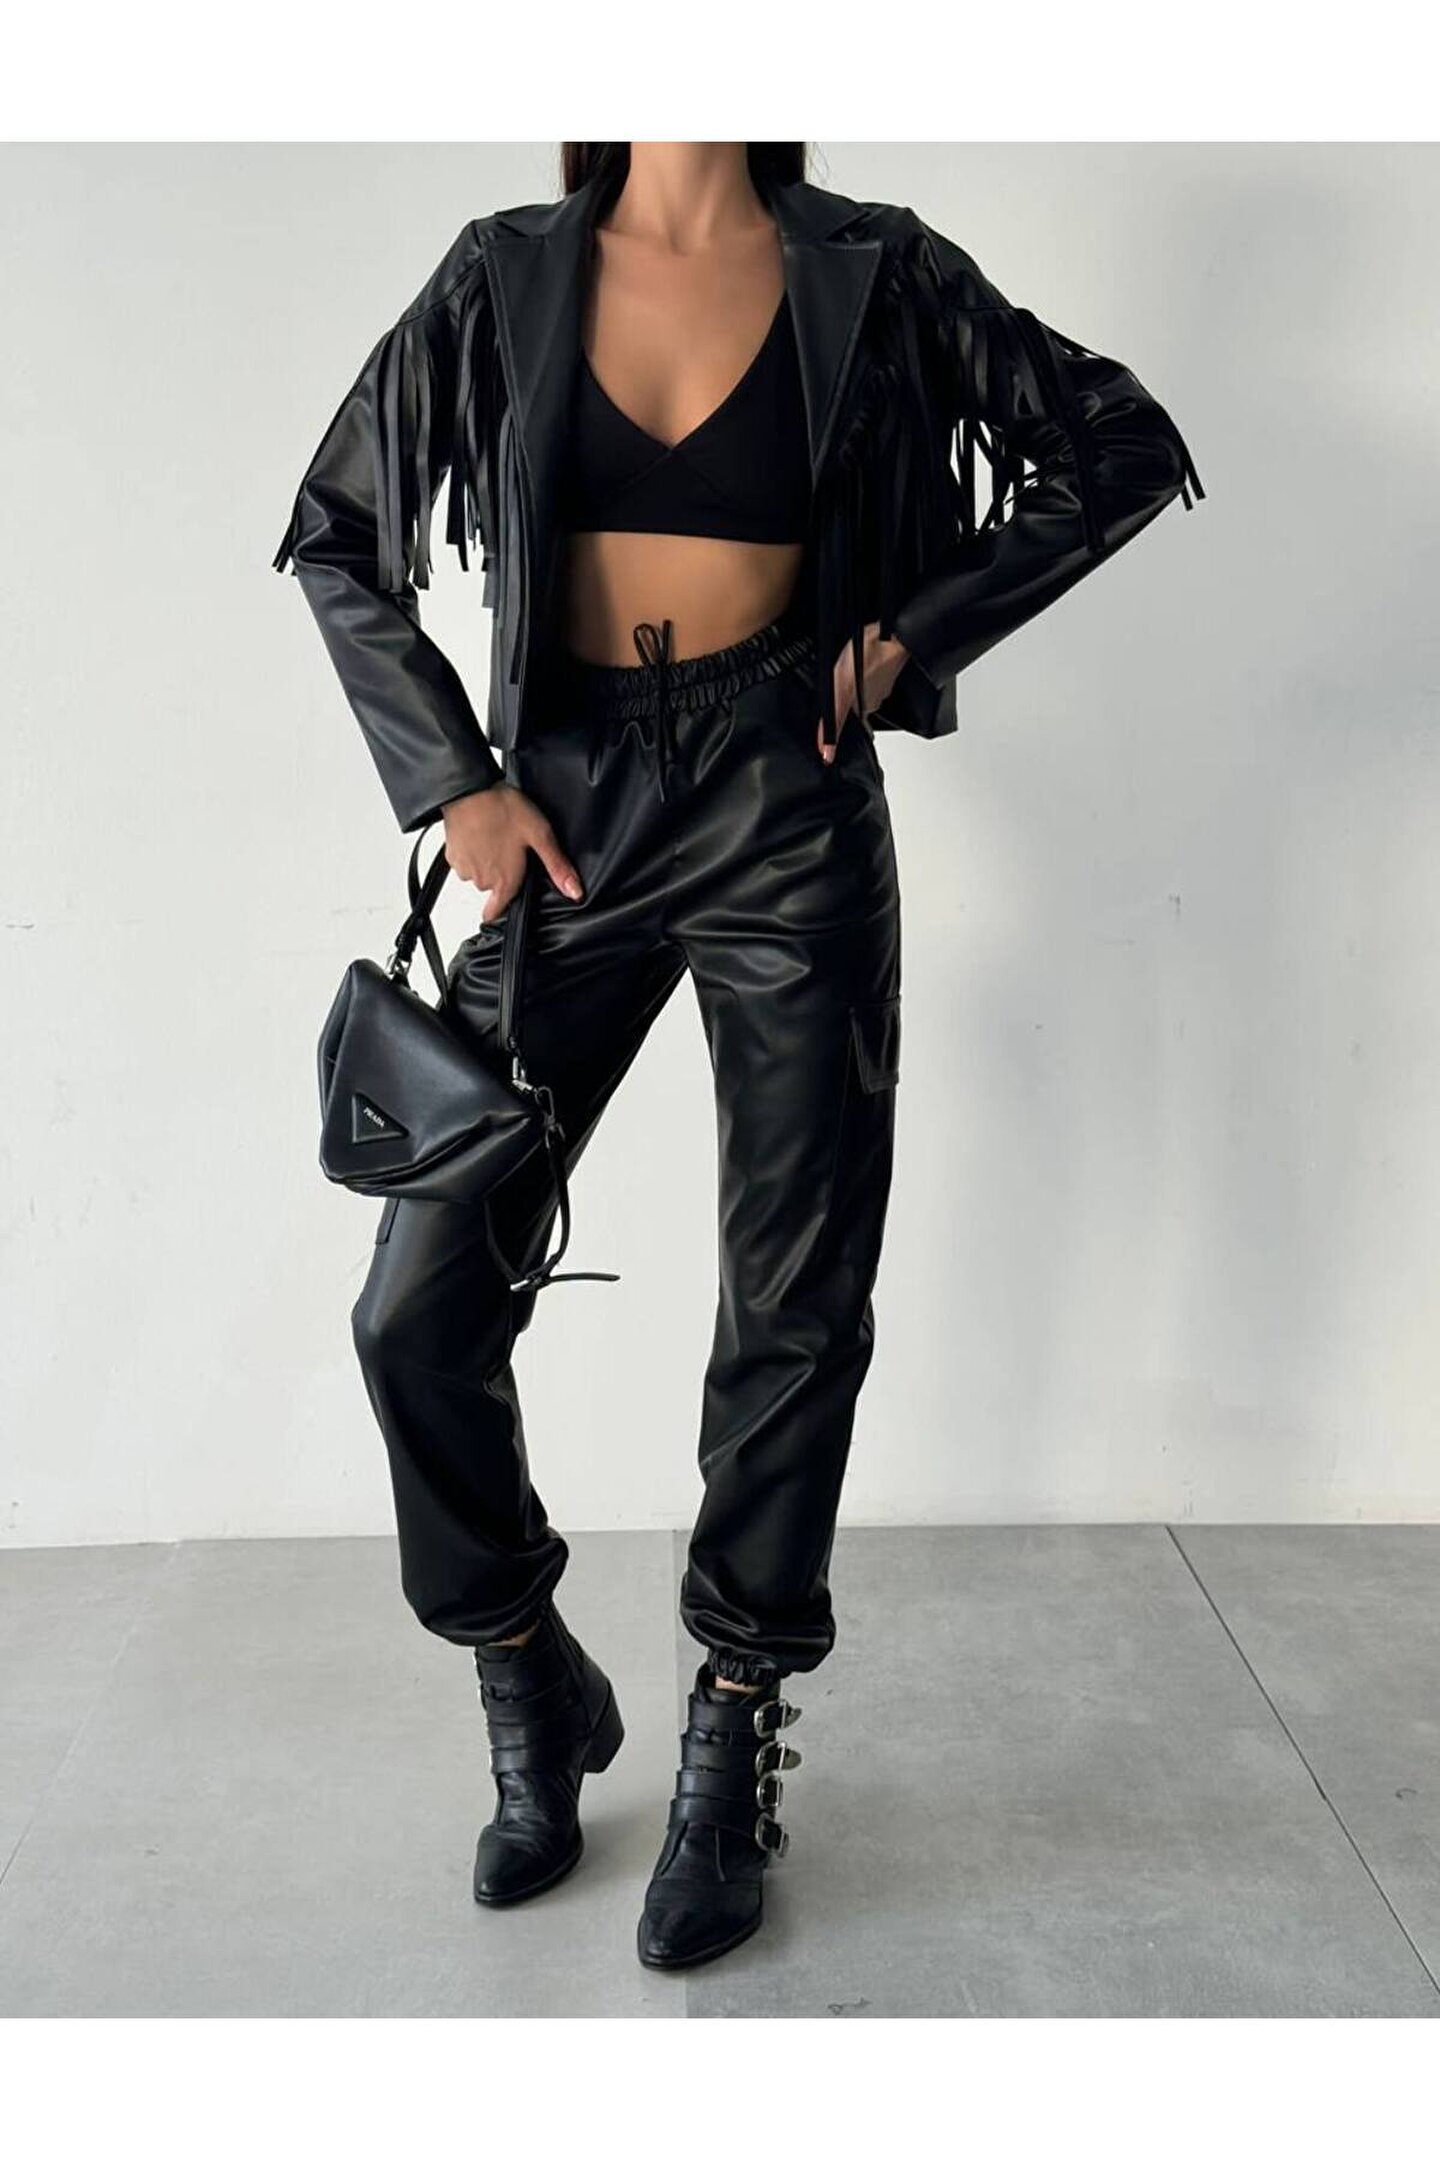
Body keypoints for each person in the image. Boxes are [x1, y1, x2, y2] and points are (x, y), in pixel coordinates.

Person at [273, 140, 1204, 1971]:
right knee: (416, 1307)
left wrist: (908, 639)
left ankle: (731, 1719)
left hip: (791, 805)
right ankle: (530, 1671)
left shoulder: (875, 264)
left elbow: (1120, 441)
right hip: (570, 812)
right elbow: (335, 530)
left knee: (794, 1296)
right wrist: (452, 779)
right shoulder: (505, 270)